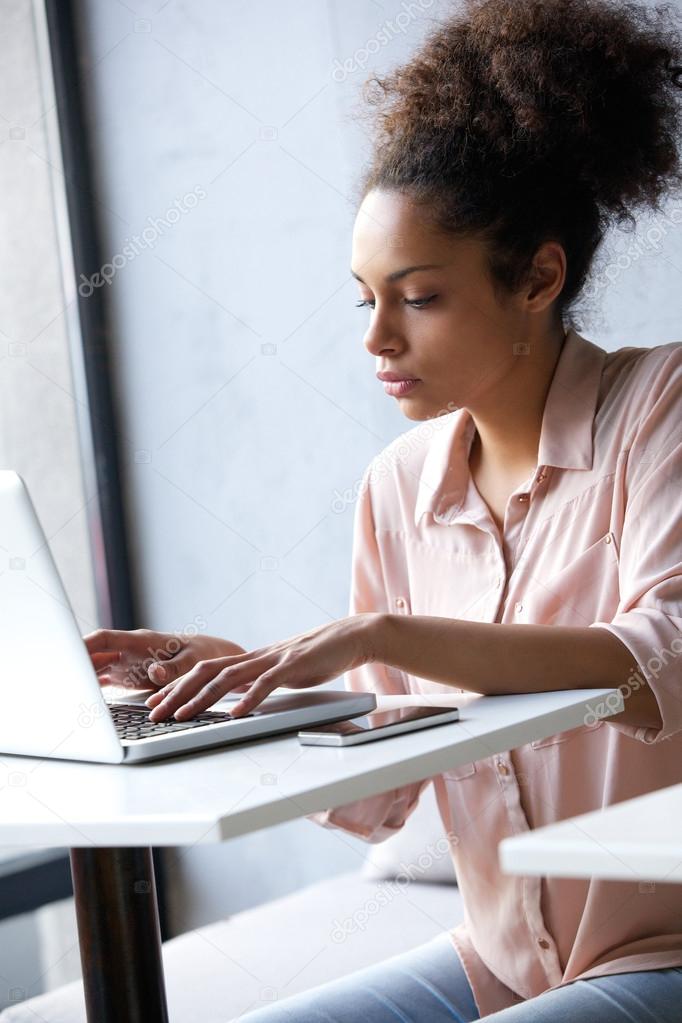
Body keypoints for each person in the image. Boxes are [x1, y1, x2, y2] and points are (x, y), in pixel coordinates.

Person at [86, 0, 682, 1018]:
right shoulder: (399, 487)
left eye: (418, 296)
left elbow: (658, 654)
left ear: (538, 276)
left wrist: (381, 632)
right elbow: (384, 782)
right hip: (500, 964)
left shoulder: (656, 408)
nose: (376, 339)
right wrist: (241, 682)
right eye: (363, 297)